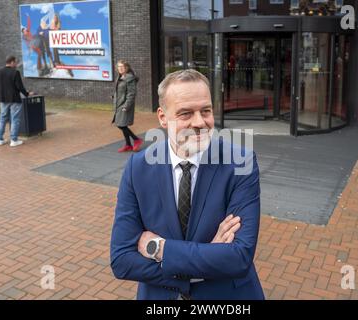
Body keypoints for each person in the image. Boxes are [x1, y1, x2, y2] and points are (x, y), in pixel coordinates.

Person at [110, 69, 264, 300]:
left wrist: (158, 248)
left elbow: (239, 257)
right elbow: (122, 260)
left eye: (206, 110)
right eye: (185, 113)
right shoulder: (138, 167)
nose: (200, 122)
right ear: (162, 117)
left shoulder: (241, 163)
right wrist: (208, 260)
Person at [0, 55, 33, 147]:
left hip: (3, 99)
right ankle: (13, 140)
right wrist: (27, 94)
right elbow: (20, 87)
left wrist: (0, 95)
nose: (16, 63)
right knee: (15, 119)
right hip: (14, 99)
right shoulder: (15, 72)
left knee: (2, 119)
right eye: (15, 62)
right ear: (11, 62)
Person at [112, 60, 143, 152]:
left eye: (122, 67)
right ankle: (128, 145)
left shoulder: (129, 78)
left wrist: (126, 105)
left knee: (121, 124)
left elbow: (131, 94)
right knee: (121, 124)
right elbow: (120, 91)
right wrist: (114, 96)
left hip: (125, 105)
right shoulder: (120, 77)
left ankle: (136, 140)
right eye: (119, 67)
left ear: (127, 68)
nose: (120, 68)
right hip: (119, 104)